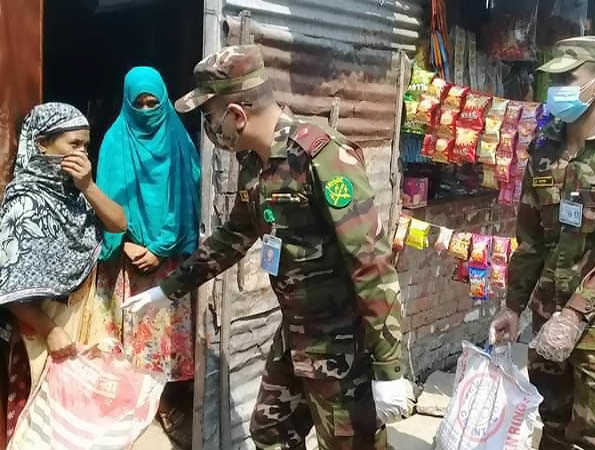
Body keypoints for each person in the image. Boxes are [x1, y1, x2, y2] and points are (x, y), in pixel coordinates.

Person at [123, 45, 409, 449]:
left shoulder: (321, 157)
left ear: (237, 115)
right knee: (271, 432)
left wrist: (388, 367)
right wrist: (166, 289)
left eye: (209, 115)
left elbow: (371, 263)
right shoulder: (256, 165)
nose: (208, 127)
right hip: (297, 334)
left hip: (342, 343)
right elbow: (232, 239)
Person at [490, 36, 595, 450]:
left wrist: (576, 314)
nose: (555, 88)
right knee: (551, 422)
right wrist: (513, 305)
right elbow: (530, 238)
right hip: (548, 311)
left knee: (590, 436)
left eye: (568, 77)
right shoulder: (545, 148)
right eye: (555, 78)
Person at [0, 103, 127, 441]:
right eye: (74, 144)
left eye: (86, 145)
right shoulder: (24, 200)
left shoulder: (77, 192)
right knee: (46, 423)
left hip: (86, 319)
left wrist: (88, 186)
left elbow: (118, 222)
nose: (82, 152)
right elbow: (9, 285)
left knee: (88, 421)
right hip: (43, 328)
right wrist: (51, 330)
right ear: (42, 144)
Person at [91, 66, 201, 447]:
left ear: (166, 101)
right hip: (128, 260)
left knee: (169, 343)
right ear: (127, 103)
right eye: (139, 103)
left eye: (154, 102)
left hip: (169, 261)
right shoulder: (114, 142)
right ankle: (134, 408)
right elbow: (104, 198)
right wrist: (125, 243)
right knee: (129, 344)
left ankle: (170, 406)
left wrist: (160, 248)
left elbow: (189, 200)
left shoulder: (178, 141)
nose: (147, 109)